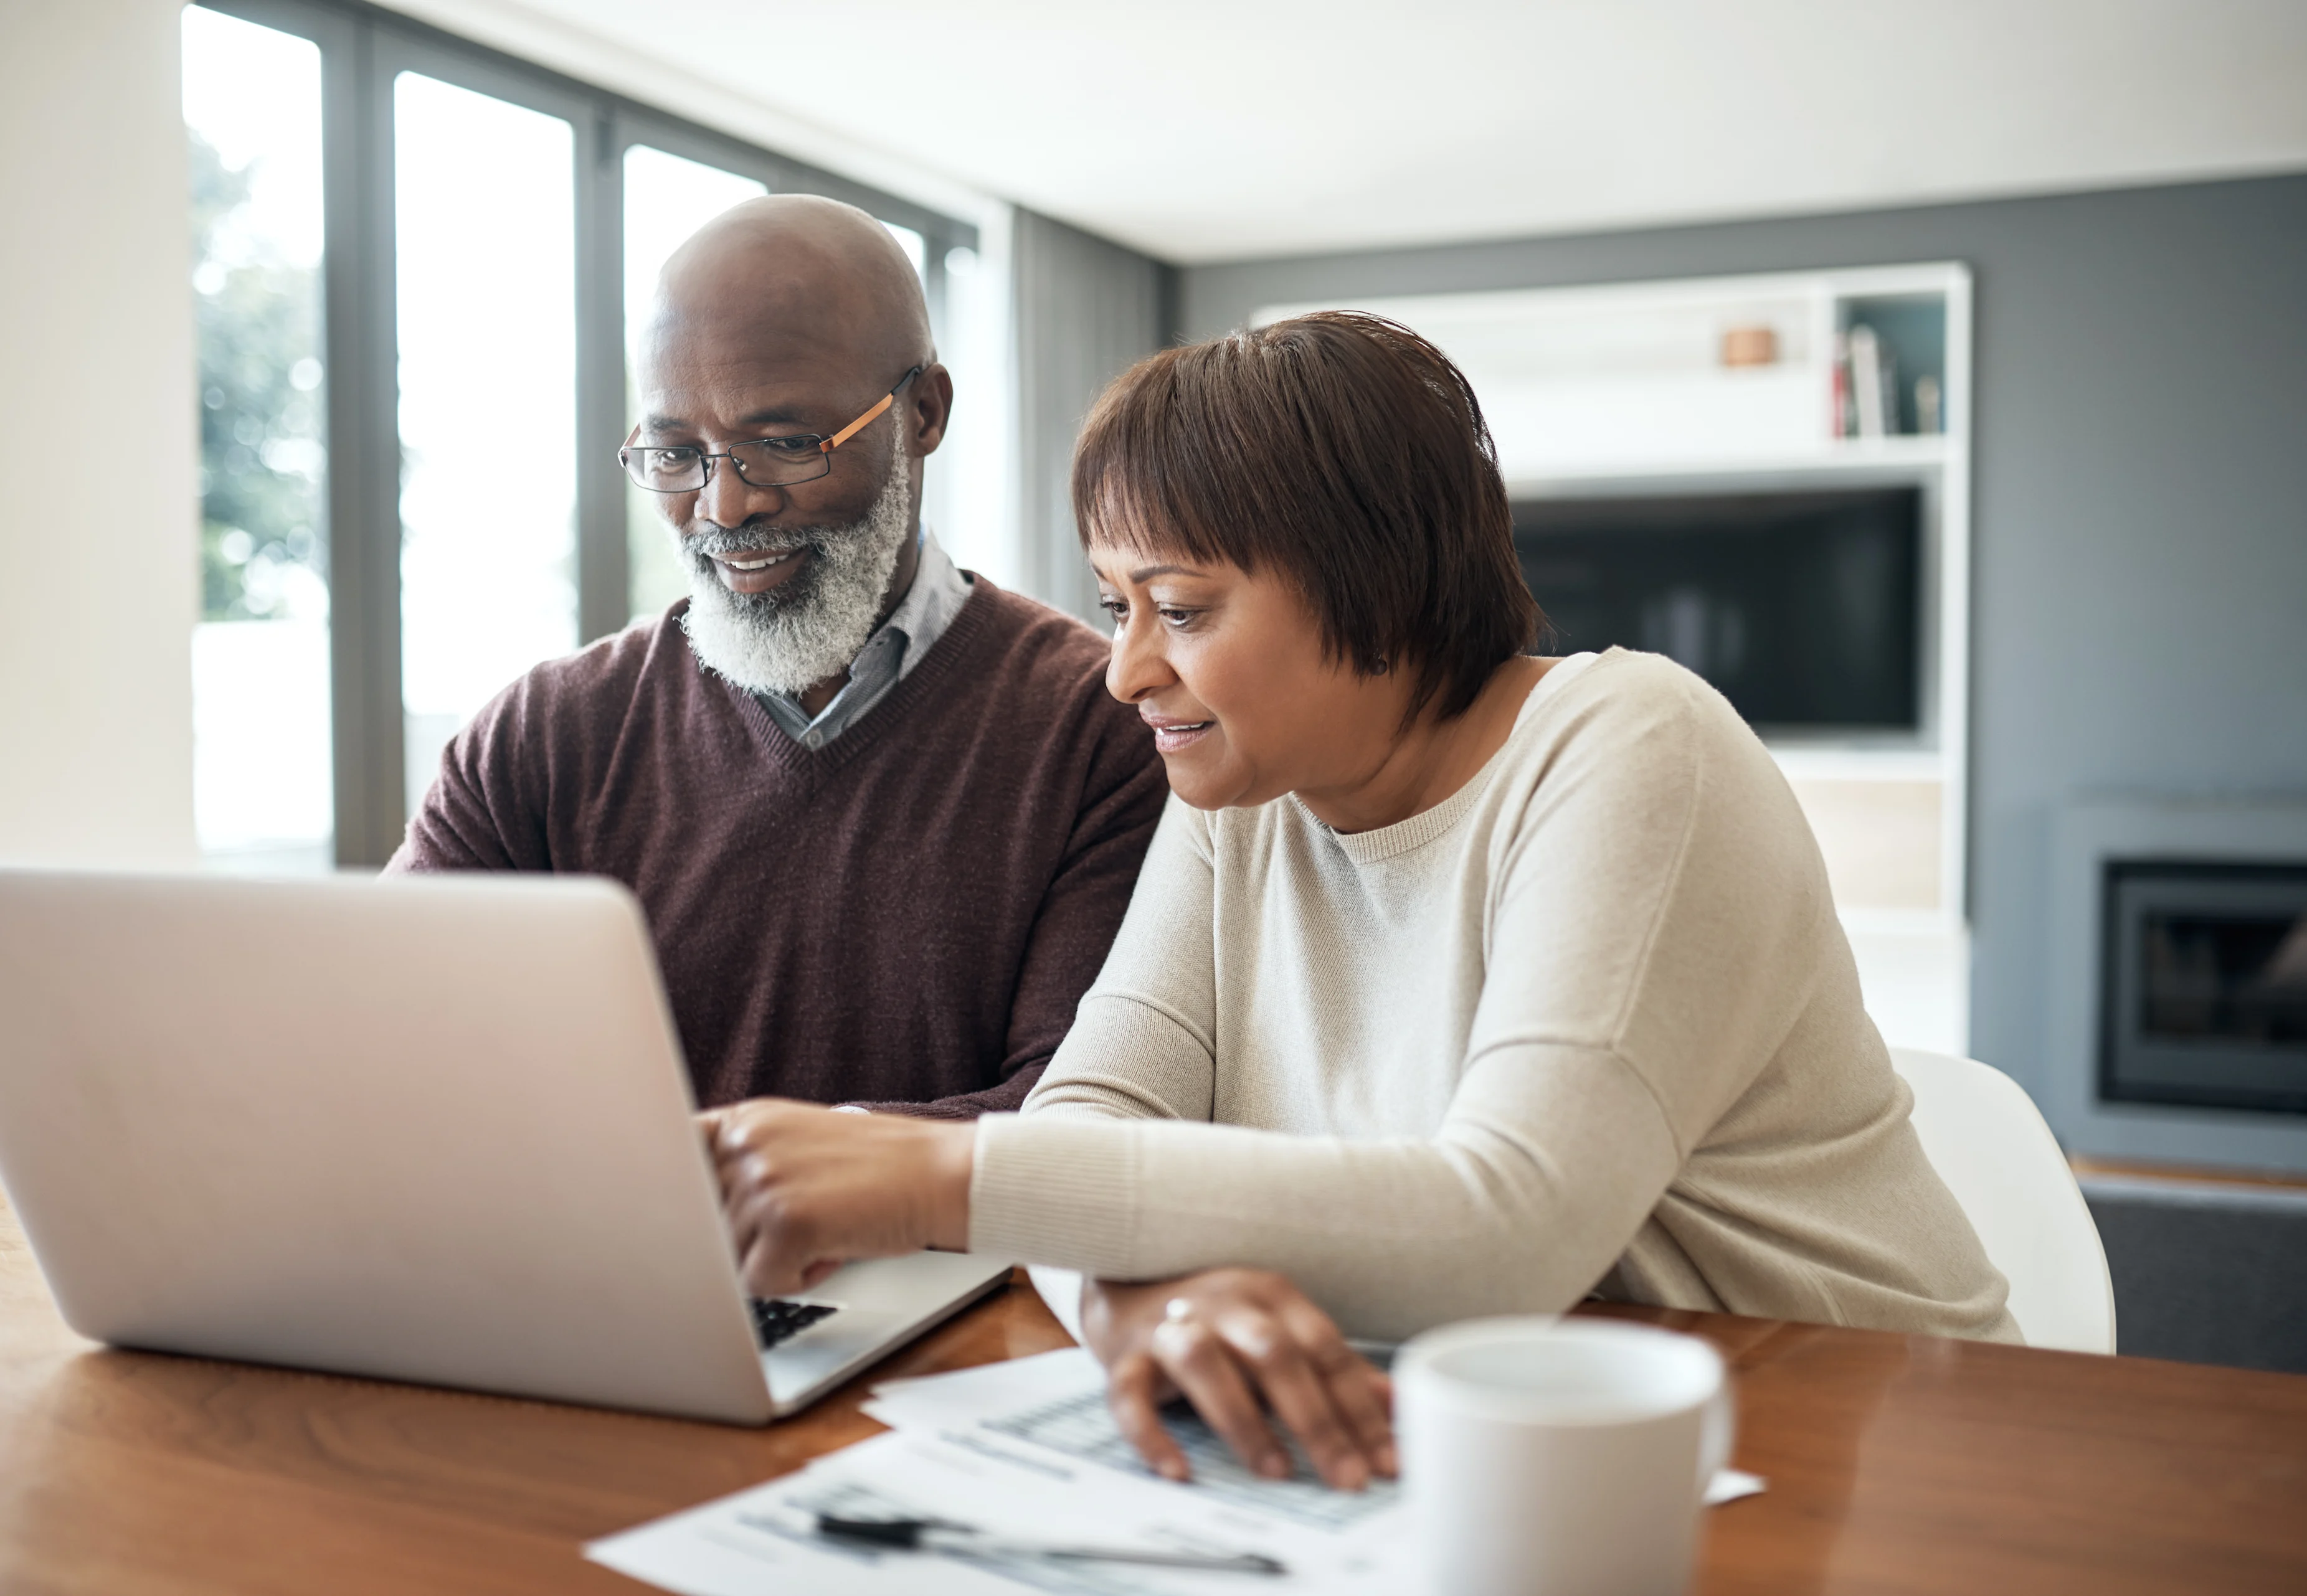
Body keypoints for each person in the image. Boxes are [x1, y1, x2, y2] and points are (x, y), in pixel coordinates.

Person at [697, 311, 2017, 1492]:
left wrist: (937, 1173)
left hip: (1872, 1442)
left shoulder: (1633, 746)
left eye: (1184, 608)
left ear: (1374, 577)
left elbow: (1505, 1227)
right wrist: (1143, 1313)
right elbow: (1091, 1125)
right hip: (1509, 1435)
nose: (1127, 673)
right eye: (1115, 606)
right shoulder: (1242, 800)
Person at [389, 196, 1166, 1117]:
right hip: (591, 1255)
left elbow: (1074, 1117)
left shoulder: (1102, 730)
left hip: (955, 1266)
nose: (724, 508)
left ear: (923, 413)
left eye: (785, 445)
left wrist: (715, 1173)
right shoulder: (541, 737)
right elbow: (389, 1042)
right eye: (677, 453)